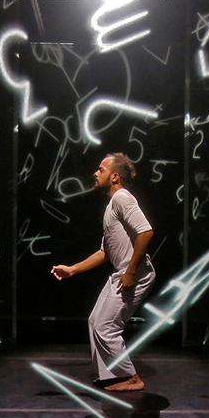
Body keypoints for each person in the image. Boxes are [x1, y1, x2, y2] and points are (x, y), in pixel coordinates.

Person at [51, 153, 155, 391]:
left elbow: (146, 232)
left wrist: (130, 272)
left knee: (106, 326)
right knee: (95, 321)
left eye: (101, 169)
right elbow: (104, 252)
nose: (95, 173)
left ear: (115, 176)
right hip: (124, 271)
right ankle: (110, 374)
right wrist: (72, 269)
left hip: (135, 273)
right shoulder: (112, 205)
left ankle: (132, 378)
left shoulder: (122, 197)